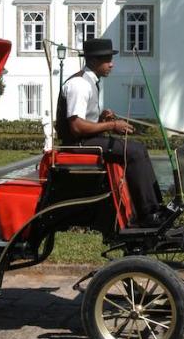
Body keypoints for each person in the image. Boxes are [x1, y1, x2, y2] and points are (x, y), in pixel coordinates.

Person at [55, 38, 173, 227]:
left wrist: (101, 119)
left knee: (139, 148)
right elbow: (76, 127)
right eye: (107, 60)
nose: (111, 64)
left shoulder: (90, 81)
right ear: (93, 61)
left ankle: (155, 207)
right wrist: (111, 125)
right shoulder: (79, 84)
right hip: (78, 145)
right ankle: (147, 214)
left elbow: (84, 122)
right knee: (134, 152)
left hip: (86, 140)